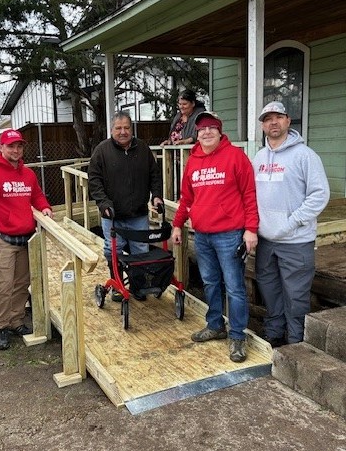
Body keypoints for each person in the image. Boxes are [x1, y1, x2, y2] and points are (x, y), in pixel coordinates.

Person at [171, 111, 259, 363]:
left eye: (211, 128)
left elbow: (249, 195)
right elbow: (186, 198)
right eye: (201, 129)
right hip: (202, 235)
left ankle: (238, 336)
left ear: (220, 132)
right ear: (196, 135)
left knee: (234, 287)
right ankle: (215, 325)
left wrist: (251, 229)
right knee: (210, 283)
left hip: (230, 234)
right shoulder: (193, 161)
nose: (206, 132)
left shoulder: (236, 157)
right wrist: (178, 225)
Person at [253, 101, 330, 347]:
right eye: (267, 118)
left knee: (296, 297)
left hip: (296, 242)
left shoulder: (305, 156)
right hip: (266, 241)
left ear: (287, 121)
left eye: (278, 117)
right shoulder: (259, 157)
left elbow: (320, 194)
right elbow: (251, 195)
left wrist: (292, 222)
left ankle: (295, 343)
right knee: (270, 292)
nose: (273, 122)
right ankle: (274, 335)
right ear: (263, 126)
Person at [0, 128, 53, 351]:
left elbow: (36, 195)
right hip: (3, 241)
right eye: (11, 146)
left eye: (19, 146)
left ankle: (16, 321)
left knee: (21, 284)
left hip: (26, 239)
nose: (16, 150)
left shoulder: (28, 174)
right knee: (3, 286)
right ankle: (0, 327)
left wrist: (44, 207)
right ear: (1, 148)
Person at [88, 111, 163, 301]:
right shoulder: (101, 151)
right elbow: (94, 181)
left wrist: (156, 196)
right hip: (113, 215)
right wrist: (103, 203)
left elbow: (154, 175)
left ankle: (138, 287)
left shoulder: (143, 149)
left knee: (140, 251)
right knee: (113, 251)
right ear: (112, 129)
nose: (123, 132)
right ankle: (117, 286)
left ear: (132, 129)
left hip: (138, 214)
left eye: (126, 128)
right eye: (118, 128)